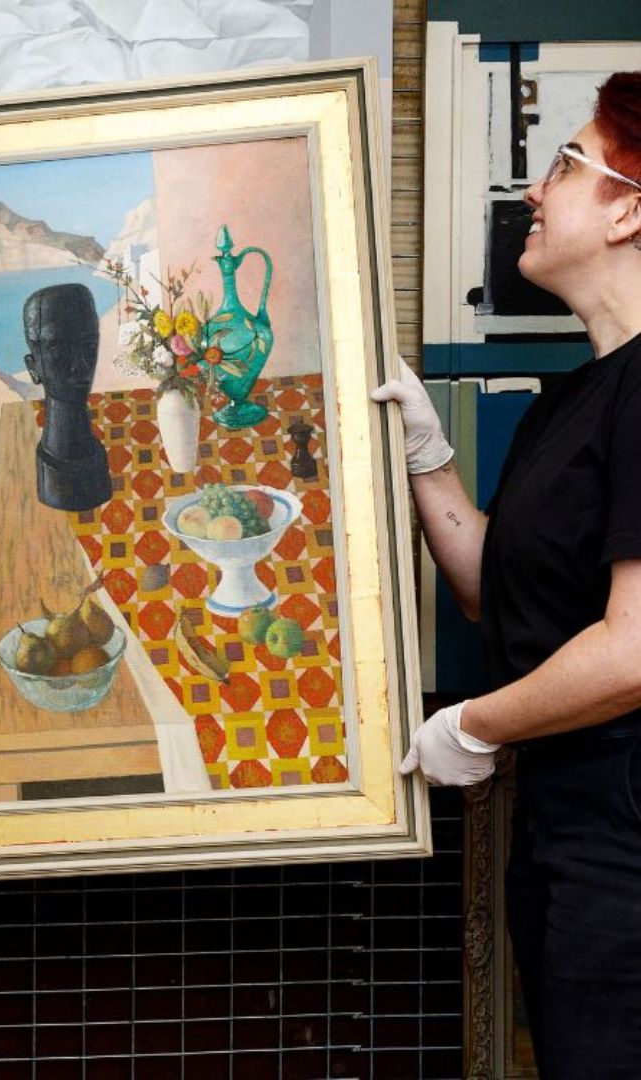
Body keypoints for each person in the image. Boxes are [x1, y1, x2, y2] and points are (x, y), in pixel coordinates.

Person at [373, 73, 641, 1078]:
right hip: (566, 827)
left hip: (622, 837)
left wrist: (476, 723)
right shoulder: (569, 398)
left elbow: (635, 648)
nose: (536, 189)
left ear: (629, 210)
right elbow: (497, 591)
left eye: (567, 163)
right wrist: (425, 455)